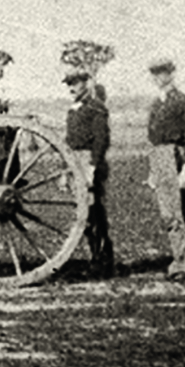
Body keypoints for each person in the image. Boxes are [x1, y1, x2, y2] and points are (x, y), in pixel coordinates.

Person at [146, 57, 185, 280]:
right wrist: (153, 170)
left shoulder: (183, 102)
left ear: (171, 74)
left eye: (162, 73)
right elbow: (153, 139)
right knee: (168, 214)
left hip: (175, 156)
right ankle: (178, 260)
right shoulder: (156, 104)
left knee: (181, 213)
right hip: (159, 157)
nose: (158, 78)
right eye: (155, 74)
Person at [63, 70, 114, 278]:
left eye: (75, 83)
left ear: (86, 84)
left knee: (93, 213)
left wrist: (92, 167)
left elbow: (102, 140)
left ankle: (103, 261)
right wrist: (64, 171)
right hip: (75, 161)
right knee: (84, 214)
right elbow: (67, 143)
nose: (71, 88)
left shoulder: (96, 108)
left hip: (88, 161)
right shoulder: (73, 111)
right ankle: (95, 258)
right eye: (69, 84)